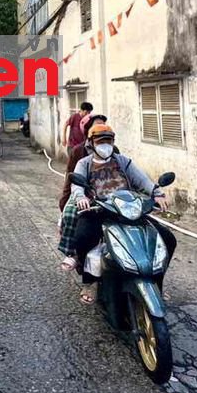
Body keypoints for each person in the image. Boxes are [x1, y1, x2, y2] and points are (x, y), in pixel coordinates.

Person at [58, 122, 170, 304]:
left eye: (108, 141)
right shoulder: (84, 164)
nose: (105, 145)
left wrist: (157, 194)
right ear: (91, 143)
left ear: (113, 142)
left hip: (127, 210)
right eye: (100, 141)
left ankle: (157, 283)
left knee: (166, 239)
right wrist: (81, 197)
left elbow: (142, 180)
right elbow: (77, 185)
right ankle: (90, 282)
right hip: (98, 210)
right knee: (83, 237)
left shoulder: (123, 161)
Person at [59, 113, 108, 211]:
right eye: (97, 126)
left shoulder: (113, 150)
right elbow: (71, 177)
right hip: (86, 196)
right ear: (88, 131)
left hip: (109, 195)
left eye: (103, 126)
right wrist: (64, 201)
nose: (101, 130)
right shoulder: (78, 151)